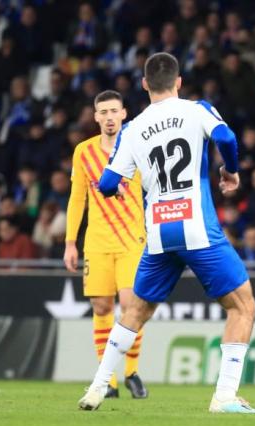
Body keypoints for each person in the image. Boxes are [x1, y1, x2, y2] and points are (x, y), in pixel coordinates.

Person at [77, 53, 255, 414]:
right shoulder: (197, 110)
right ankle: (224, 397)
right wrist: (231, 170)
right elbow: (226, 136)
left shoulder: (132, 129)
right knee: (243, 307)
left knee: (135, 311)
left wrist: (116, 190)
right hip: (197, 228)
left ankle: (97, 387)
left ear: (145, 85)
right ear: (179, 82)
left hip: (159, 232)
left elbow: (107, 182)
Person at [64, 90, 148, 400]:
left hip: (132, 240)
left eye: (115, 110)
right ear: (96, 116)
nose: (110, 116)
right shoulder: (83, 152)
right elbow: (77, 199)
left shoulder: (137, 147)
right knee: (101, 307)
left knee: (130, 305)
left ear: (124, 113)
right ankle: (107, 379)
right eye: (104, 112)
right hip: (97, 243)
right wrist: (71, 243)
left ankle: (132, 372)